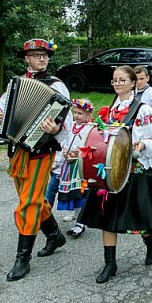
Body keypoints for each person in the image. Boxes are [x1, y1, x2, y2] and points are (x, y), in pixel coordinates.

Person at [77, 65, 152, 284]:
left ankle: (150, 241)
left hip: (136, 170)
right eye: (114, 80)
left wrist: (142, 145)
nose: (117, 84)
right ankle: (110, 263)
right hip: (113, 171)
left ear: (133, 83)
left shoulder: (143, 110)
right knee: (106, 217)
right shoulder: (110, 110)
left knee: (139, 220)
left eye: (122, 80)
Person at [0, 39, 72, 281]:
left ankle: (22, 260)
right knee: (31, 198)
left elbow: (66, 122)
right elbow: (0, 106)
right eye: (36, 55)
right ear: (27, 58)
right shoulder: (16, 84)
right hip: (17, 150)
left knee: (28, 203)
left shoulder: (57, 85)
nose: (42, 58)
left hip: (42, 150)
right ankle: (55, 235)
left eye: (44, 55)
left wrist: (55, 129)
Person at [45, 99, 95, 239]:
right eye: (75, 112)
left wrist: (78, 154)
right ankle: (44, 218)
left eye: (80, 113)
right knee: (53, 190)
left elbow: (91, 146)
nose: (76, 115)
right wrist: (65, 152)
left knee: (78, 194)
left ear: (89, 115)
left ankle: (80, 224)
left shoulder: (91, 129)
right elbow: (62, 141)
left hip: (79, 167)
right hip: (64, 165)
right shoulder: (70, 126)